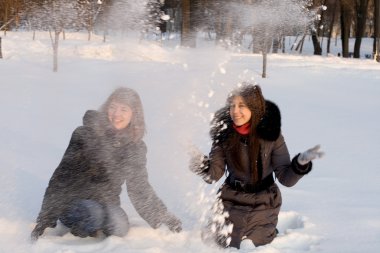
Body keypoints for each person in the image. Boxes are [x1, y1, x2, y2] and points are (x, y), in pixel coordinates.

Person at [31, 87, 182, 241]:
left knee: (119, 225)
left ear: (134, 115)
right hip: (73, 203)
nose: (117, 114)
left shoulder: (135, 147)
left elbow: (139, 188)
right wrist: (46, 219)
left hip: (107, 203)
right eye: (113, 107)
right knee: (93, 214)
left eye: (124, 109)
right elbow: (62, 176)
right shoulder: (85, 135)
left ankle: (97, 225)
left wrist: (164, 218)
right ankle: (85, 229)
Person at [189, 84, 323, 249]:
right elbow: (213, 175)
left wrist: (300, 163)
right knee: (219, 241)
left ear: (254, 108)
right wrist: (197, 160)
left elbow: (285, 178)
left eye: (241, 106)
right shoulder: (223, 135)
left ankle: (268, 230)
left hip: (263, 201)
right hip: (229, 200)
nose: (235, 111)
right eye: (232, 106)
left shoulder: (271, 135)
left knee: (248, 244)